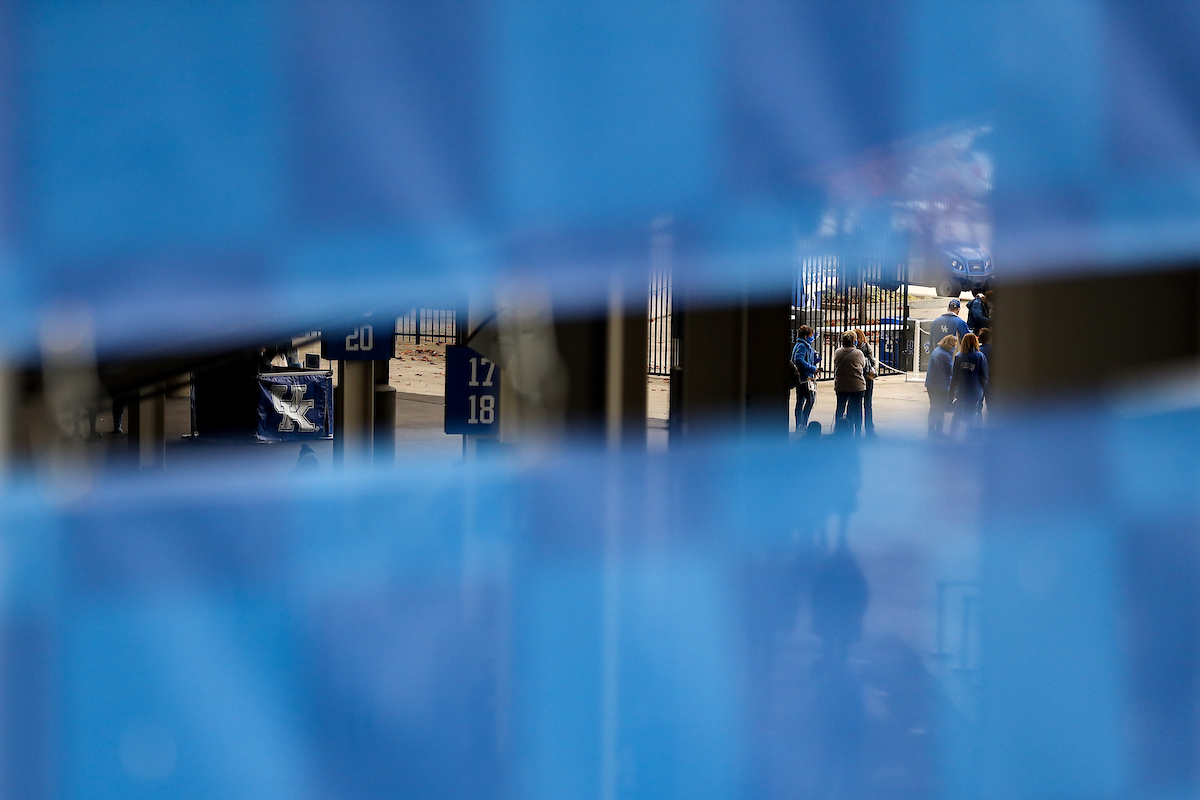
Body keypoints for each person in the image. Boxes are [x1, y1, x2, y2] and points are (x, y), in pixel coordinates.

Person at [950, 332, 989, 434]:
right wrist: (984, 389)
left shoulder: (959, 356)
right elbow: (984, 375)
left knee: (957, 412)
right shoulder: (980, 356)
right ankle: (972, 434)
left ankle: (952, 432)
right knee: (974, 412)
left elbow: (955, 375)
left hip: (962, 389)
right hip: (975, 390)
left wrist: (952, 390)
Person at [832, 331, 866, 436]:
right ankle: (858, 431)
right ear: (854, 341)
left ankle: (838, 428)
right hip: (857, 385)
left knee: (840, 407)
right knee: (857, 409)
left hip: (841, 385)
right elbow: (863, 365)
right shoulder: (858, 353)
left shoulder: (838, 352)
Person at [925, 334, 956, 436]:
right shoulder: (945, 355)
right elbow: (950, 371)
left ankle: (931, 429)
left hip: (931, 383)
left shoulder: (937, 350)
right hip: (941, 386)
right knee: (941, 408)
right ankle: (939, 431)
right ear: (951, 345)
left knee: (934, 407)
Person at [790, 325, 820, 430]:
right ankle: (803, 423)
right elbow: (799, 360)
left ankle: (800, 424)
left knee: (801, 401)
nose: (812, 338)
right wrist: (812, 368)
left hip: (803, 377)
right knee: (810, 400)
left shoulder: (801, 345)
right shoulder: (802, 346)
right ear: (806, 336)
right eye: (811, 335)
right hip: (803, 378)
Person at [853, 328, 877, 436]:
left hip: (861, 378)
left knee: (860, 404)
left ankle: (860, 427)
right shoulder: (866, 347)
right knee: (866, 404)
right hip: (865, 378)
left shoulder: (858, 349)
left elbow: (872, 361)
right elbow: (872, 361)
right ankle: (867, 428)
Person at [978, 327, 993, 413]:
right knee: (991, 406)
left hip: (980, 381)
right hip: (992, 381)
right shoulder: (995, 349)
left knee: (978, 406)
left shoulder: (978, 351)